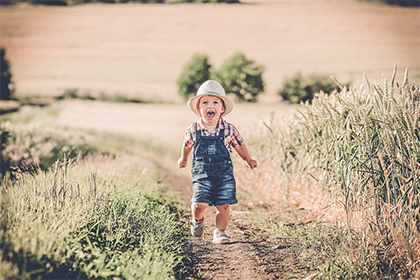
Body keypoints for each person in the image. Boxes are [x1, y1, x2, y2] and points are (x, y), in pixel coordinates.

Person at [177, 80, 258, 244]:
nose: (210, 105)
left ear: (222, 109)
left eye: (215, 102)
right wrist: (184, 158)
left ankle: (220, 232)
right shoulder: (193, 129)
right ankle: (197, 219)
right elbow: (186, 146)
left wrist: (248, 159)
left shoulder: (228, 129)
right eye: (205, 102)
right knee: (200, 202)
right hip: (202, 173)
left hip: (224, 174)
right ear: (199, 109)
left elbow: (239, 145)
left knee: (224, 205)